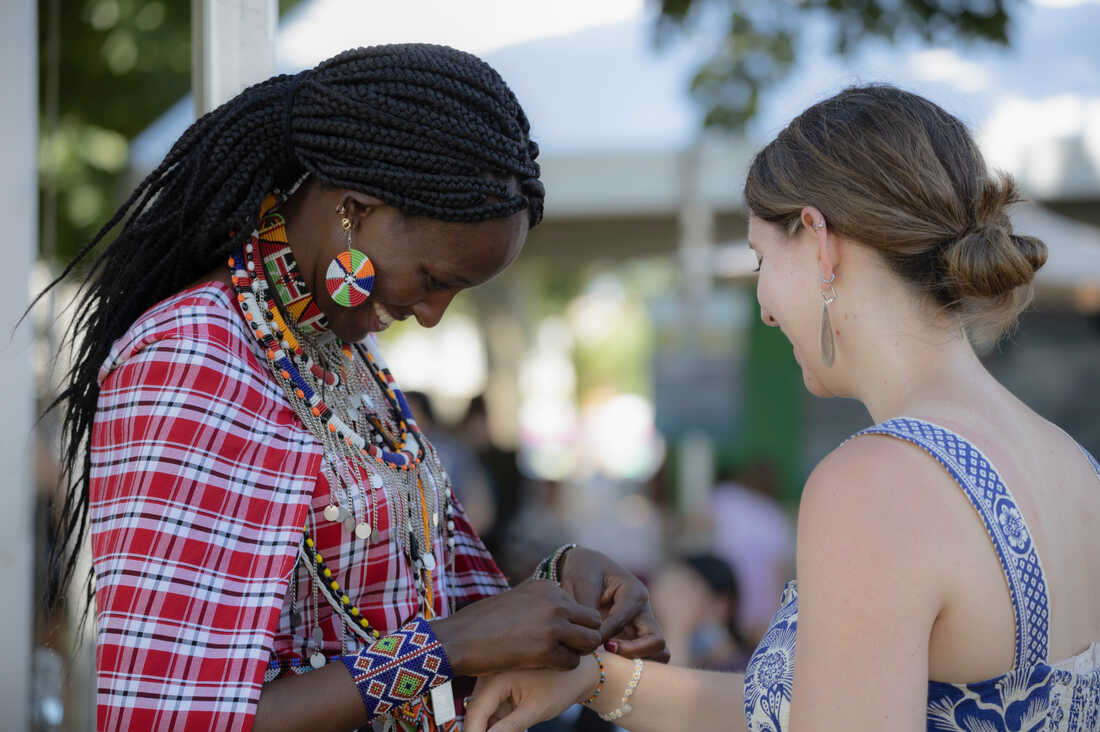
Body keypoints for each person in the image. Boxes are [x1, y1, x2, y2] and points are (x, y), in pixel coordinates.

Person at [43, 44, 667, 731]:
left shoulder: (333, 350)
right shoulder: (191, 359)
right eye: (434, 280)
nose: (431, 316)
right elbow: (166, 717)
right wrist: (447, 648)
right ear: (354, 212)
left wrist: (565, 589)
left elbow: (404, 606)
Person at [464, 84, 1100, 732]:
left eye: (762, 256)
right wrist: (600, 680)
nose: (765, 308)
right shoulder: (1074, 466)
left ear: (820, 240)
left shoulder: (877, 483)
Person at [649, 553, 752, 672]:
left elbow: (669, 687)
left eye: (679, 593)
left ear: (721, 605)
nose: (664, 604)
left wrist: (677, 632)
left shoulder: (745, 669)